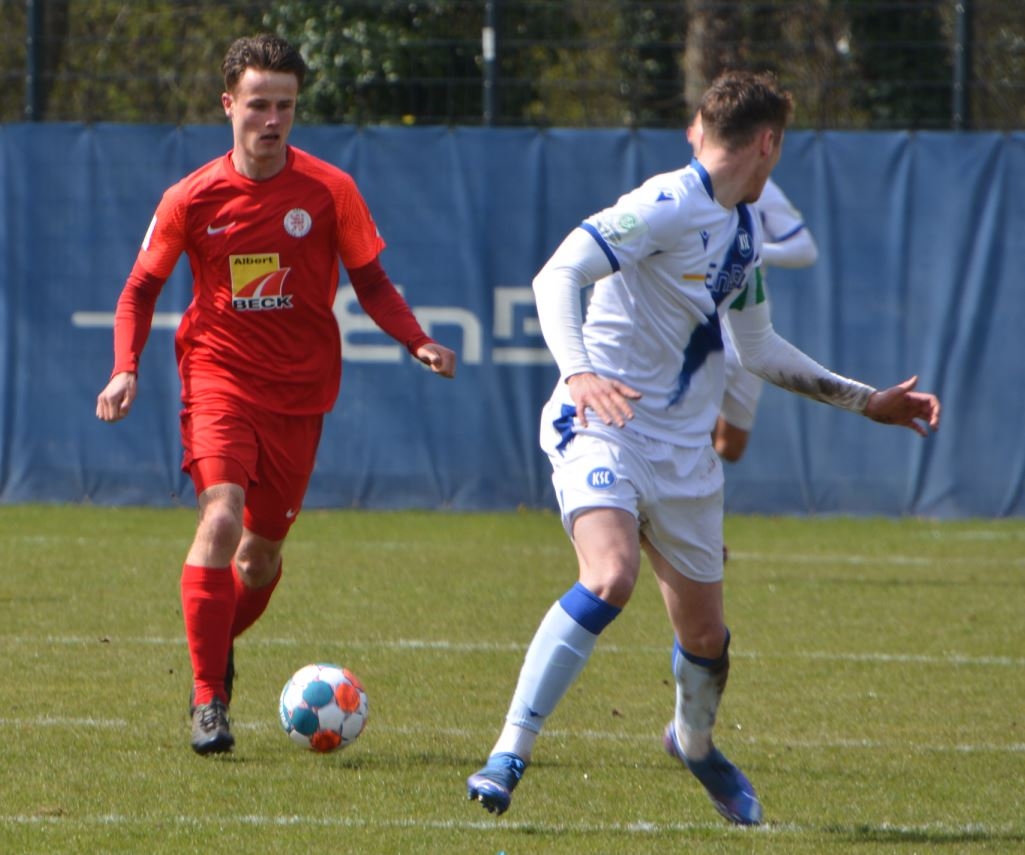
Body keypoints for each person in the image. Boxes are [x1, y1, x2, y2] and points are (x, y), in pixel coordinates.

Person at [466, 70, 939, 825]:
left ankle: (692, 742)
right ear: (768, 142)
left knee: (705, 638)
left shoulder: (744, 233)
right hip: (604, 426)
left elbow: (759, 349)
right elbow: (558, 273)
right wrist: (579, 371)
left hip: (686, 458)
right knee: (610, 576)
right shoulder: (664, 203)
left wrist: (865, 400)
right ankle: (508, 752)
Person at [95, 34, 456, 755]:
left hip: (300, 392)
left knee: (257, 560)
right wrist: (124, 366)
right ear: (228, 104)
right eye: (258, 104)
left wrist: (414, 338)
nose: (272, 119)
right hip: (218, 377)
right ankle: (208, 699)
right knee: (221, 518)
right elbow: (140, 289)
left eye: (284, 106)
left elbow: (371, 281)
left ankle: (213, 642)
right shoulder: (190, 197)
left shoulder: (329, 190)